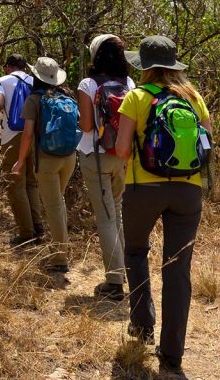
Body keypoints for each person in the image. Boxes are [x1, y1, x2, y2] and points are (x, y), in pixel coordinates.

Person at [113, 36, 211, 378]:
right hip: (188, 191)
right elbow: (206, 146)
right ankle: (172, 357)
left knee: (136, 252)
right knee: (177, 268)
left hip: (143, 188)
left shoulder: (136, 98)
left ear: (146, 66)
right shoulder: (193, 97)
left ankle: (141, 327)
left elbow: (122, 150)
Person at [76, 34, 134, 301]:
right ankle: (125, 273)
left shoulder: (88, 84)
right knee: (118, 213)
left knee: (106, 217)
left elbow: (87, 126)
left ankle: (114, 281)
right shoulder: (129, 83)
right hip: (122, 156)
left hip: (95, 157)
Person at [10, 56, 78, 274]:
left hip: (46, 159)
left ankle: (60, 258)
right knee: (58, 202)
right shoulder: (67, 95)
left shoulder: (34, 100)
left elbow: (28, 134)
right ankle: (61, 247)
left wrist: (20, 161)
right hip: (69, 157)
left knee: (54, 205)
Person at [0, 54, 45, 247]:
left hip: (13, 137)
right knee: (32, 184)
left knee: (15, 185)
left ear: (8, 67)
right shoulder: (34, 80)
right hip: (36, 137)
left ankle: (26, 233)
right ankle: (38, 228)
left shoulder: (2, 81)